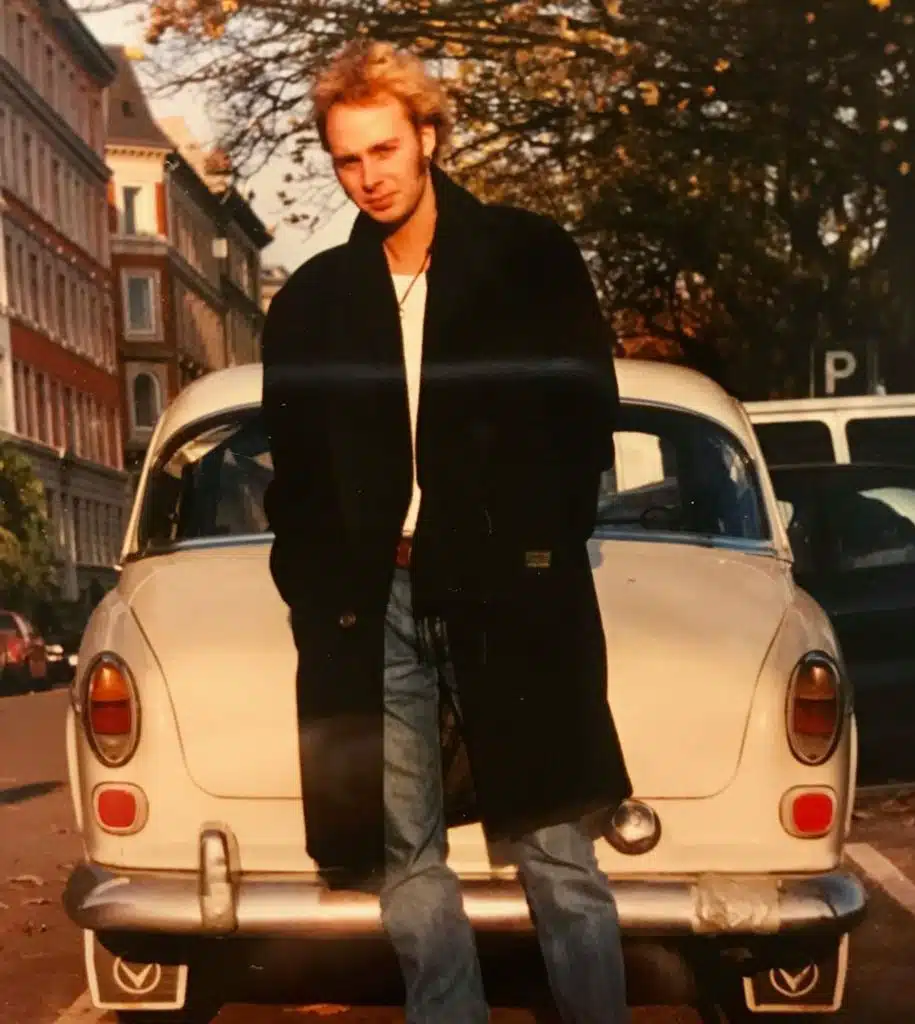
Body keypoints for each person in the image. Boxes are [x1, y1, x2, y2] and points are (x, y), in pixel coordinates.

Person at [260, 38, 632, 1024]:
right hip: (372, 600)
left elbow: (582, 421)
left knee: (556, 847)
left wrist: (539, 552)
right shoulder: (312, 304)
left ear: (427, 136)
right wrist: (317, 589)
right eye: (347, 159)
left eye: (384, 149)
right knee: (406, 858)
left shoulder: (528, 259)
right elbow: (294, 475)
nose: (369, 176)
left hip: (509, 591)